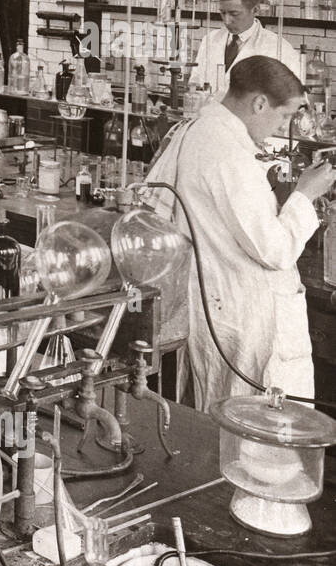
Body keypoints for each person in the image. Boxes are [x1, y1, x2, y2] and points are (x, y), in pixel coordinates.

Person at [144, 56, 336, 409]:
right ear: (259, 103)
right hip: (248, 319)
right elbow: (275, 250)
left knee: (225, 423)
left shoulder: (201, 131)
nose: (286, 123)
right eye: (285, 115)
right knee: (263, 437)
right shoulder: (230, 156)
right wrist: (305, 194)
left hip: (221, 309)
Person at [185, 0, 302, 96]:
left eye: (234, 14)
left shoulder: (279, 48)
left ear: (255, 10)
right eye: (223, 13)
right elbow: (195, 84)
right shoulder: (210, 40)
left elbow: (296, 101)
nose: (227, 21)